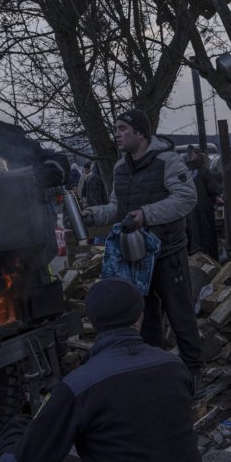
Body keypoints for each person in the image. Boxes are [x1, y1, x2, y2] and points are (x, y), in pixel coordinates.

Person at [0, 278, 205, 462]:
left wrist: (13, 429)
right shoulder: (174, 366)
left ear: (93, 323)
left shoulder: (78, 387)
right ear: (139, 317)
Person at [83, 108, 203, 393]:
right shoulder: (120, 168)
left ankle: (194, 372)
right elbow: (117, 208)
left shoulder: (167, 161)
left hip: (168, 252)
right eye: (116, 130)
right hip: (135, 258)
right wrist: (94, 214)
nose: (117, 135)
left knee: (180, 313)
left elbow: (186, 198)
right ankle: (157, 372)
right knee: (145, 319)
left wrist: (145, 215)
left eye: (122, 128)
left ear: (140, 132)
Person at [186, 150, 221, 259]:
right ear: (204, 162)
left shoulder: (186, 172)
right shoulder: (205, 171)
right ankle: (209, 258)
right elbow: (214, 189)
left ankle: (194, 257)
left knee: (192, 232)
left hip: (187, 209)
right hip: (203, 208)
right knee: (206, 233)